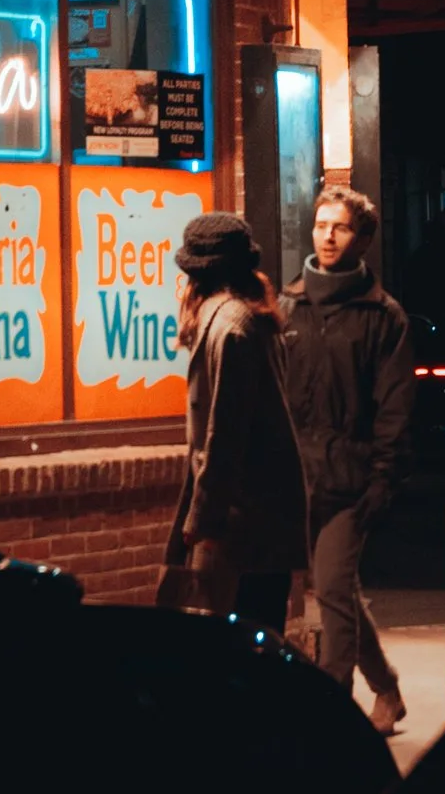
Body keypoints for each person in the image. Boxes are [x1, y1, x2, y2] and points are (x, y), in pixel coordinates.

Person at [276, 183, 414, 736]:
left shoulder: (383, 316)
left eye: (340, 227)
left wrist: (384, 476)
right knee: (339, 592)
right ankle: (387, 686)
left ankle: (331, 713)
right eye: (320, 225)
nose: (326, 236)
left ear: (363, 239)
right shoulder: (288, 305)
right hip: (295, 475)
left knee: (331, 586)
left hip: (349, 477)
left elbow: (395, 406)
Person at [164, 211, 308, 634]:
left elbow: (224, 437)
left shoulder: (227, 327)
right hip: (258, 524)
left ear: (198, 276)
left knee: (235, 652)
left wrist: (200, 523)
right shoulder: (247, 317)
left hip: (242, 527)